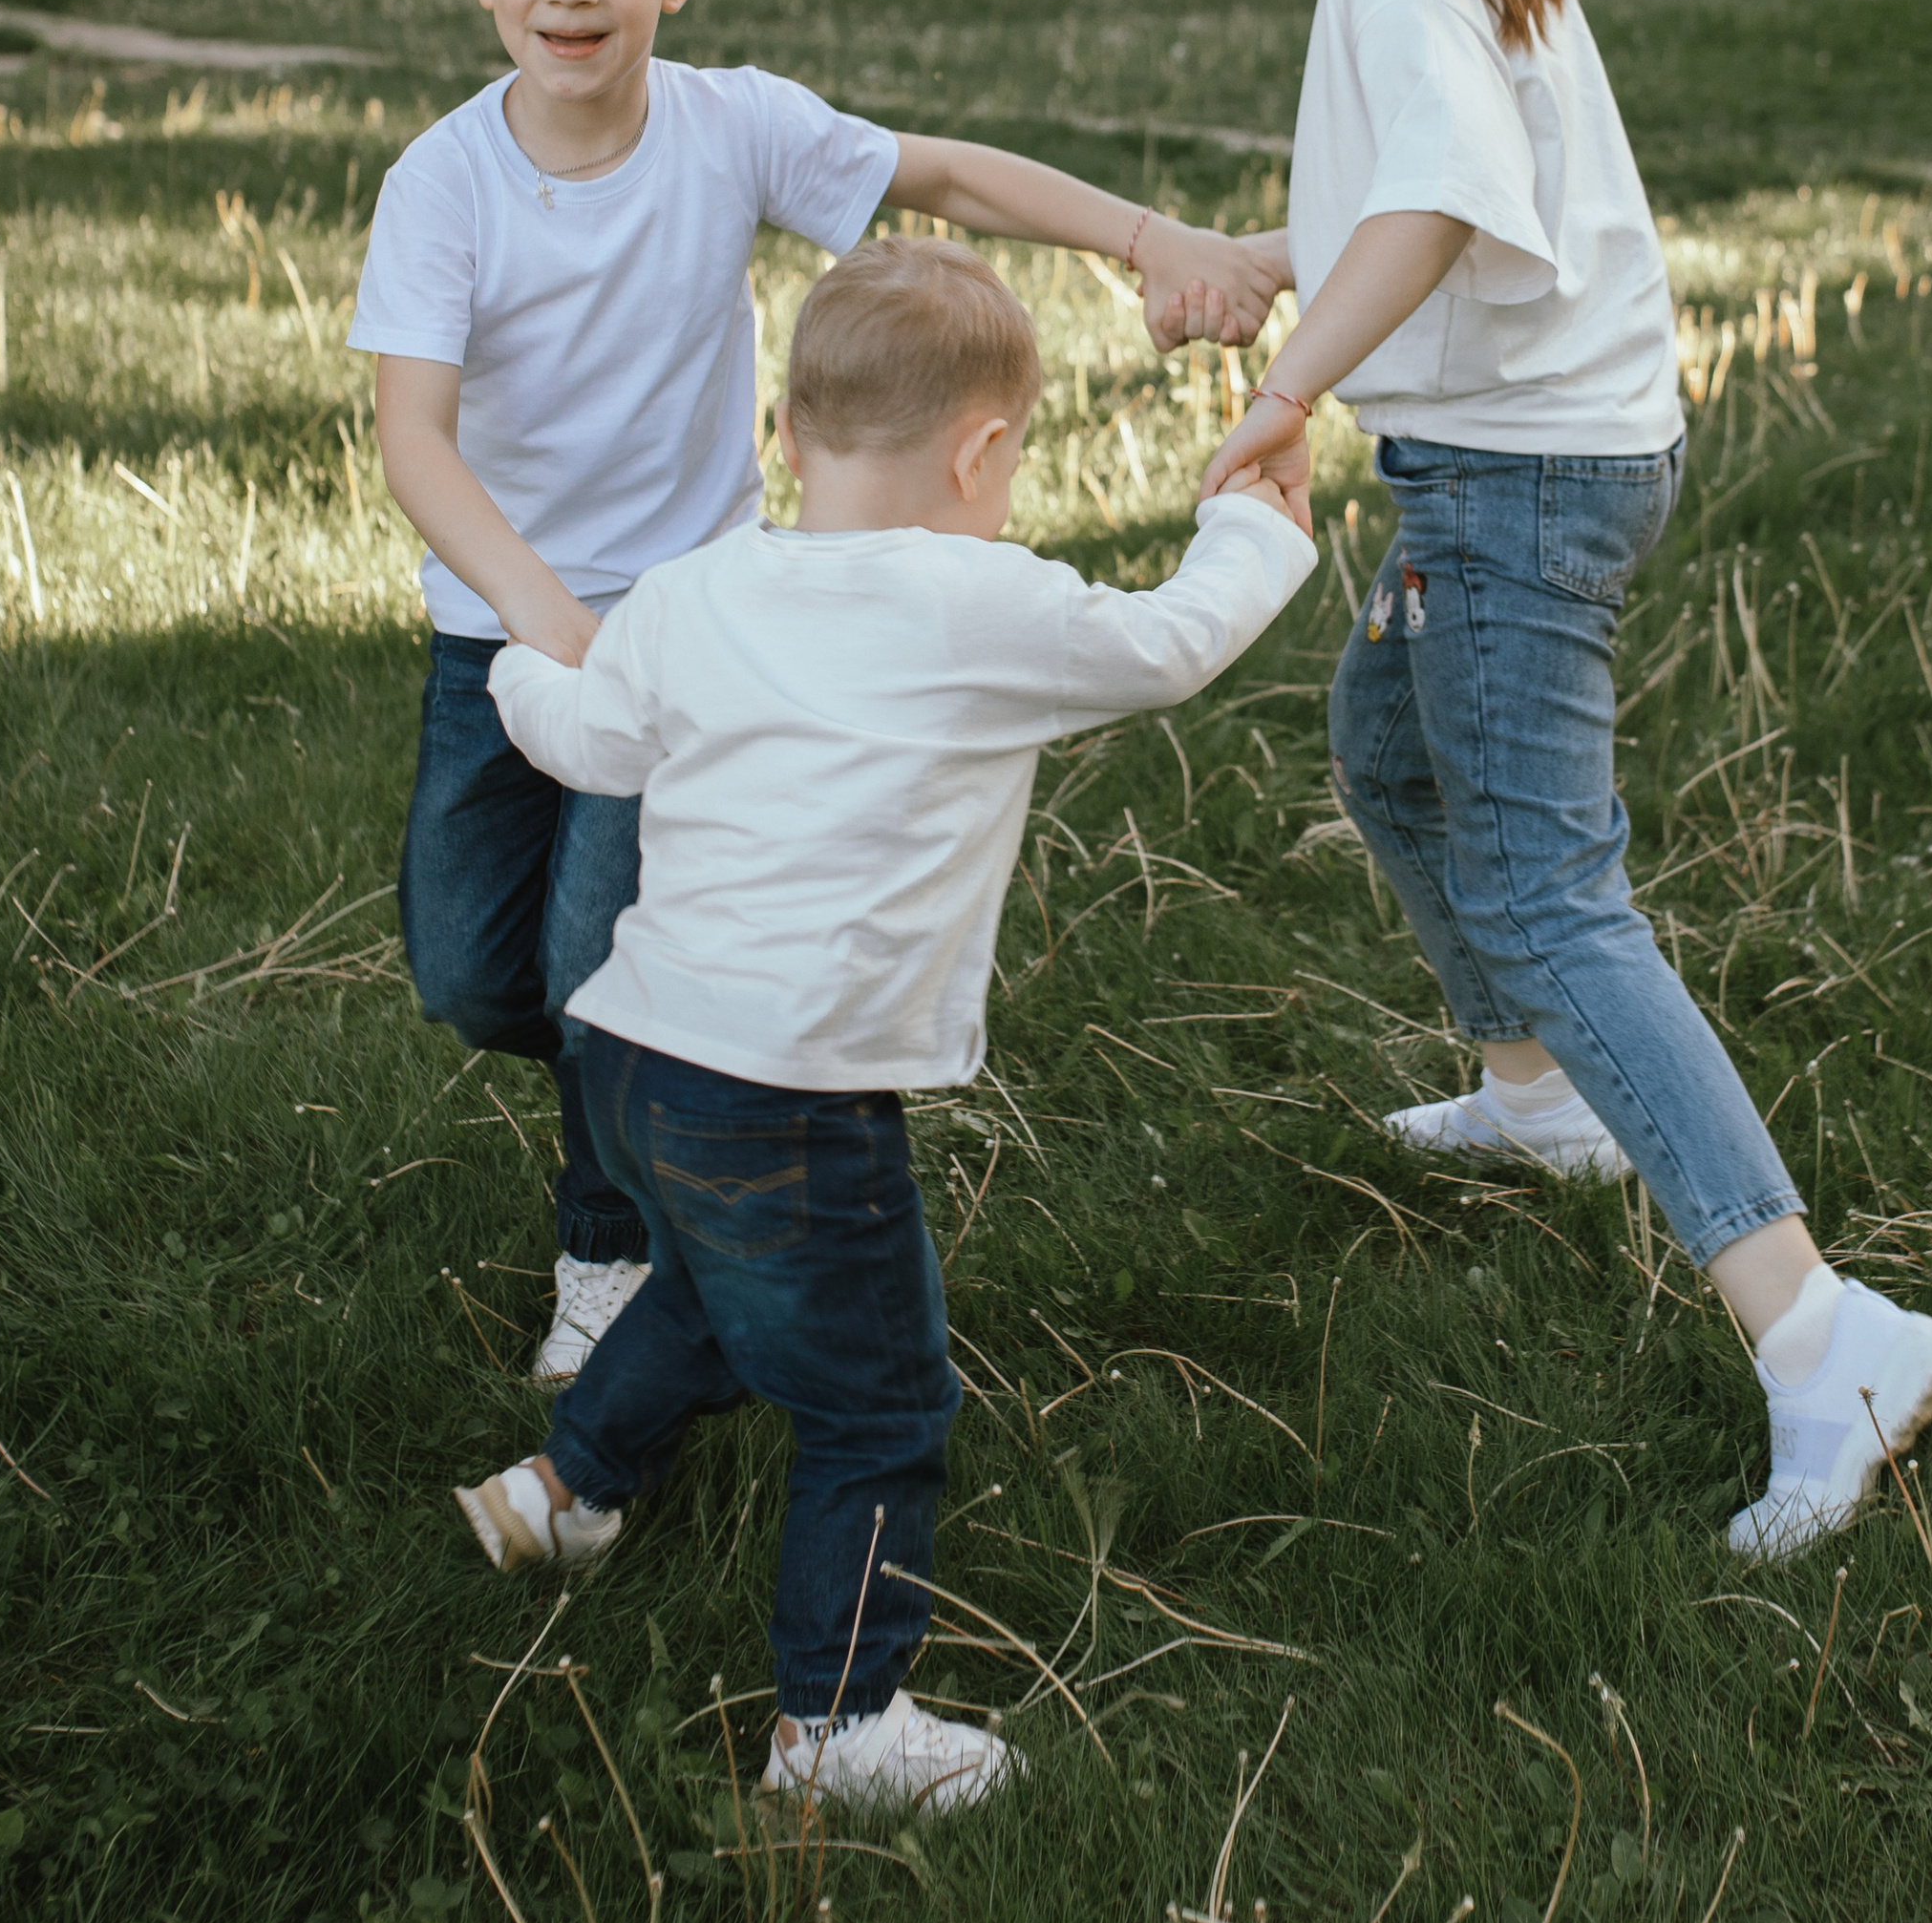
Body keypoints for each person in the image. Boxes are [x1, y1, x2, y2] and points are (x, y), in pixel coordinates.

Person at [1188, 0, 1932, 1561]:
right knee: (1389, 750)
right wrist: (1283, 259)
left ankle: (1820, 1333)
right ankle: (1533, 1094)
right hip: (1543, 454)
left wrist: (1283, 391)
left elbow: (1447, 197)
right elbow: (1435, 189)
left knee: (1544, 881)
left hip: (1512, 491)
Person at [353, 0, 1279, 1380]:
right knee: (471, 975)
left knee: (598, 979)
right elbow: (415, 443)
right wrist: (536, 615)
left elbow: (948, 182)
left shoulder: (729, 126)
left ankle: (615, 1250)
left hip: (701, 635)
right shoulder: (444, 184)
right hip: (499, 633)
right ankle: (635, 1172)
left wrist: (1147, 242)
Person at [455, 236, 1315, 1811]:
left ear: (785, 433)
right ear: (984, 452)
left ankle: (566, 1487)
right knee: (879, 1398)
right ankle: (836, 1726)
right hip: (792, 1086)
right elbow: (1170, 645)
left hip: (639, 1057)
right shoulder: (978, 601)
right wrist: (1250, 534)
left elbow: (588, 743)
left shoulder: (691, 591)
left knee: (715, 1288)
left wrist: (514, 661)